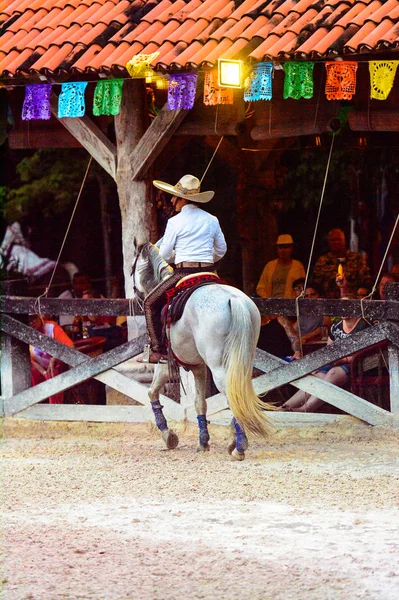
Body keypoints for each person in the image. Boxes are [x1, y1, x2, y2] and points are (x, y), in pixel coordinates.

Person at [138, 174, 227, 363]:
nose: (172, 200)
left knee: (149, 302)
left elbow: (166, 253)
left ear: (183, 199)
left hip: (183, 273)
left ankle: (158, 350)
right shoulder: (212, 219)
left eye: (175, 196)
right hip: (209, 273)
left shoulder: (175, 222)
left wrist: (181, 259)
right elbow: (221, 249)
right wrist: (204, 260)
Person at [281, 302, 369, 413]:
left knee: (332, 372)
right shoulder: (336, 326)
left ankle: (306, 408)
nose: (342, 310)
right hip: (335, 361)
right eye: (340, 307)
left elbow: (367, 354)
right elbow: (329, 350)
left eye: (346, 307)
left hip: (355, 363)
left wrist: (342, 360)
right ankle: (285, 407)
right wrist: (324, 362)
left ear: (354, 308)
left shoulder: (363, 326)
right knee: (318, 375)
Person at [312, 228, 372, 299]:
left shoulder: (357, 258)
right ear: (328, 242)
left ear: (344, 240)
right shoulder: (322, 260)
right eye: (333, 240)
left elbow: (366, 281)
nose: (336, 242)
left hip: (352, 301)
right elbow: (315, 284)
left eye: (339, 239)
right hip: (328, 302)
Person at [30, 314, 74, 404]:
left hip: (57, 366)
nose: (31, 322)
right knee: (32, 372)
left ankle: (56, 407)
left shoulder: (51, 327)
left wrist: (54, 358)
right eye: (28, 320)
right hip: (38, 368)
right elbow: (29, 359)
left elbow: (71, 346)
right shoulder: (22, 331)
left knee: (55, 373)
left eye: (34, 318)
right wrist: (43, 372)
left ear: (39, 317)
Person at [256, 234, 305, 300]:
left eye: (286, 247)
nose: (283, 250)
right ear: (277, 249)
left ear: (292, 249)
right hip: (271, 303)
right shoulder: (269, 266)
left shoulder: (298, 266)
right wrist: (267, 299)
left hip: (291, 303)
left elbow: (302, 287)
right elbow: (261, 287)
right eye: (280, 247)